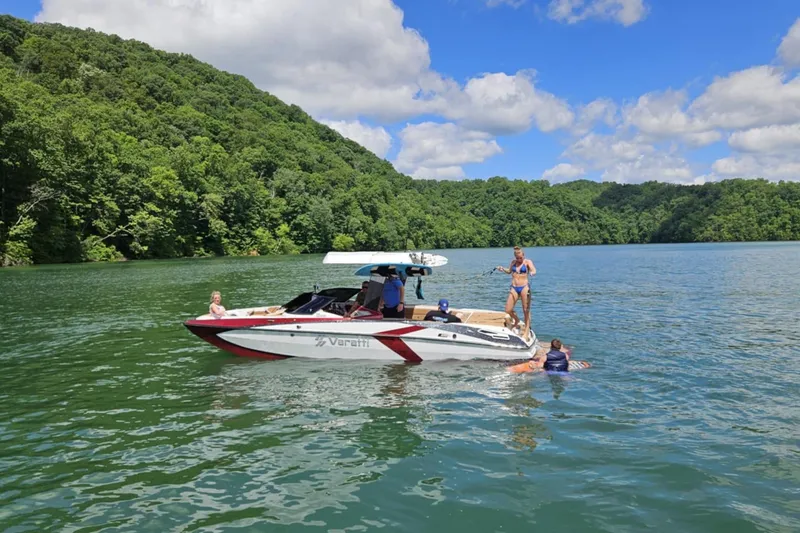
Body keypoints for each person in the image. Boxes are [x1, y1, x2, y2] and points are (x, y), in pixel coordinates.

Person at [495, 246, 536, 337]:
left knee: (526, 310)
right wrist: (502, 269)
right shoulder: (513, 262)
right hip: (514, 287)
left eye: (520, 257)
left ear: (523, 255)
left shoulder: (527, 262)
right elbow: (509, 271)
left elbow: (533, 269)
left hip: (524, 287)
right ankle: (516, 320)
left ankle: (526, 331)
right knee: (508, 309)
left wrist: (532, 272)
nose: (519, 259)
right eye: (517, 258)